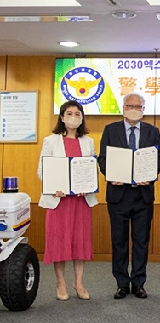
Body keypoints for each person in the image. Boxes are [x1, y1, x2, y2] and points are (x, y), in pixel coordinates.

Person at [98, 93, 160, 300]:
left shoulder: (153, 131)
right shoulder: (110, 130)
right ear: (123, 108)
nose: (134, 109)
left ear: (143, 109)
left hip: (143, 195)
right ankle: (121, 284)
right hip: (118, 195)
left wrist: (150, 176)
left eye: (138, 106)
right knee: (119, 241)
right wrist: (111, 175)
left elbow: (159, 158)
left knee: (141, 241)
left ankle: (139, 283)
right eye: (130, 105)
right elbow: (103, 158)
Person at [37, 100, 97, 301]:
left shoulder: (88, 142)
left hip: (81, 201)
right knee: (59, 241)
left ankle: (79, 283)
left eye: (77, 114)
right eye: (69, 113)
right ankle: (60, 283)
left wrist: (87, 185)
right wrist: (54, 186)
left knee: (80, 241)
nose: (73, 117)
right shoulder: (50, 141)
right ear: (62, 117)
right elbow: (42, 170)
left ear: (82, 118)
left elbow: (91, 169)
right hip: (59, 201)